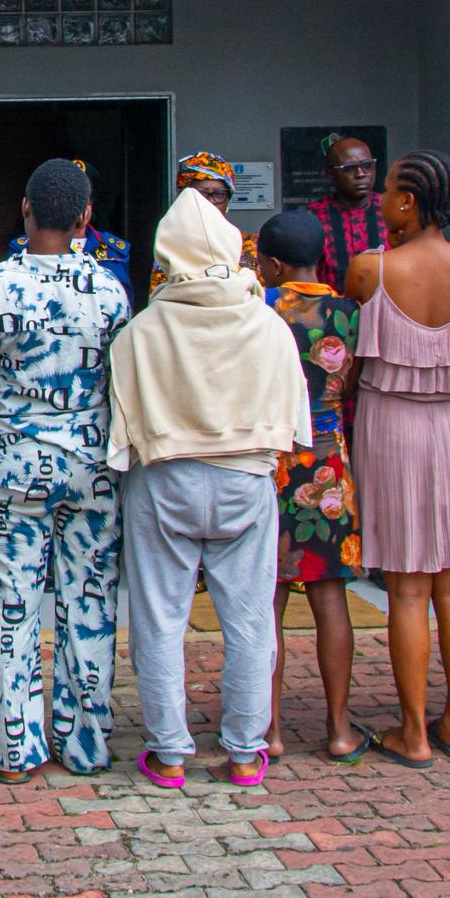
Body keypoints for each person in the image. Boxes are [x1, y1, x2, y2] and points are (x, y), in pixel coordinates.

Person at [113, 189, 311, 790]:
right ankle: (246, 752)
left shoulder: (141, 330)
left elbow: (121, 432)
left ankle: (170, 752)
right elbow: (295, 425)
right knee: (250, 621)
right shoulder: (267, 324)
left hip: (164, 480)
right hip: (245, 479)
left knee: (159, 618)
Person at [0, 158, 134, 784]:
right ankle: (85, 746)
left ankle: (16, 750)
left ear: (25, 208)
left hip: (14, 467)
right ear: (86, 217)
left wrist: (2, 438)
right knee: (90, 603)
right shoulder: (110, 291)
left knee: (13, 605)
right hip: (91, 468)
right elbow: (121, 386)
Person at [343, 150, 450, 769]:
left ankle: (414, 732)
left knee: (407, 590)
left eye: (387, 191)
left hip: (394, 427)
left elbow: (347, 357)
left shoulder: (370, 269)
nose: (379, 200)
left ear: (406, 202)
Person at [253, 209, 366, 763]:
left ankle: (270, 729)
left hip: (274, 461)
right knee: (331, 598)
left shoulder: (261, 308)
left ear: (272, 265)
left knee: (267, 601)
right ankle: (340, 729)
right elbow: (353, 384)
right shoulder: (349, 312)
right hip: (329, 464)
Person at [5, 158, 135, 297]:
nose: (69, 203)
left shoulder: (114, 250)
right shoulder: (22, 247)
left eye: (79, 198)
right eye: (61, 196)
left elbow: (123, 301)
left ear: (90, 205)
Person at [154, 154, 259, 291]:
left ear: (228, 200)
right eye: (201, 194)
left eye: (219, 194)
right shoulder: (170, 248)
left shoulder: (252, 247)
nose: (210, 202)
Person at [305, 135, 386, 288]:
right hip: (331, 302)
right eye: (349, 168)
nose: (361, 173)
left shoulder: (390, 209)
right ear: (330, 173)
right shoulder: (312, 217)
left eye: (367, 165)